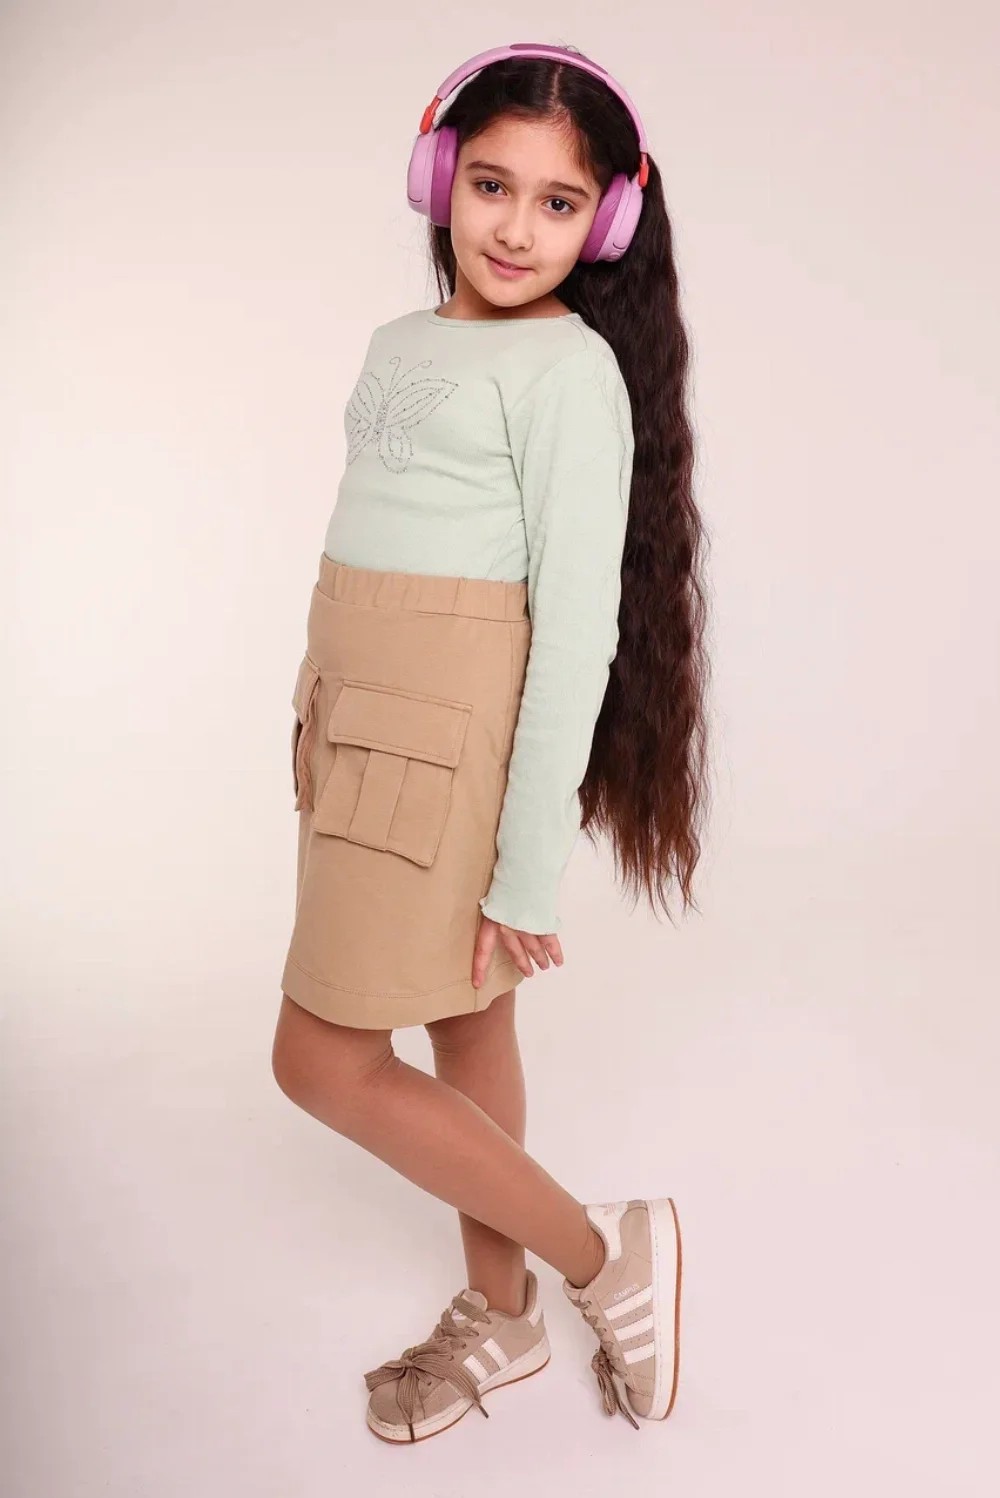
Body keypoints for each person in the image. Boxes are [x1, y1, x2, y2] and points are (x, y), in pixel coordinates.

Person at [270, 42, 709, 1444]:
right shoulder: (401, 345)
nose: (517, 228)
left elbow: (572, 635)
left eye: (560, 203)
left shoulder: (570, 373)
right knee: (467, 1022)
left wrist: (525, 869)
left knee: (318, 1059)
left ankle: (598, 1255)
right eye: (492, 185)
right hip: (359, 732)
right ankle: (503, 1308)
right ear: (437, 177)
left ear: (609, 221)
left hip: (445, 760)